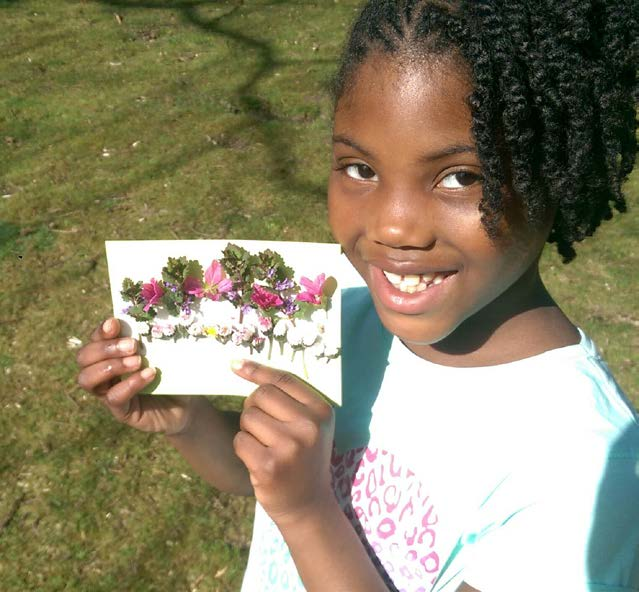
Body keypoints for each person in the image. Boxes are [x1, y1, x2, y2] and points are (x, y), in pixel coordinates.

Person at [75, 1, 639, 590]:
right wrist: (188, 420)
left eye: (461, 177)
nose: (393, 228)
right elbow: (267, 472)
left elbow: (298, 500)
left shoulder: (585, 468)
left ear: (558, 172)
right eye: (360, 169)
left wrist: (308, 514)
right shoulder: (342, 308)